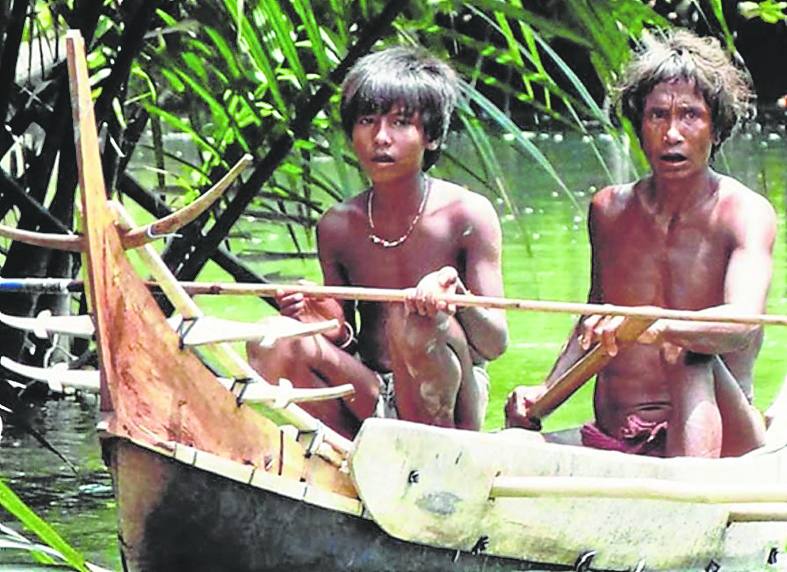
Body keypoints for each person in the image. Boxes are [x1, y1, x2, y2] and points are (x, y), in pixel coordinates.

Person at [505, 29, 776, 458]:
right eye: (657, 116)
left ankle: (692, 492)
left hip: (724, 435)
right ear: (639, 124)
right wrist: (543, 396)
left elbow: (741, 323)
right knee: (509, 444)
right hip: (618, 433)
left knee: (687, 347)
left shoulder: (745, 211)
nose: (672, 133)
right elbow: (592, 323)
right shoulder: (609, 209)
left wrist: (656, 323)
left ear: (716, 127)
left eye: (690, 115)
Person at [248, 46, 508, 439]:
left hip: (450, 400)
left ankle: (433, 458)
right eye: (368, 121)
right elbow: (345, 333)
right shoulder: (337, 226)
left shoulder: (467, 214)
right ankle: (350, 457)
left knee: (414, 320)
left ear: (432, 136)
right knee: (270, 338)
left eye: (401, 123)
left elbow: (495, 343)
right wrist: (318, 319)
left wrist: (455, 297)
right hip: (369, 393)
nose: (381, 138)